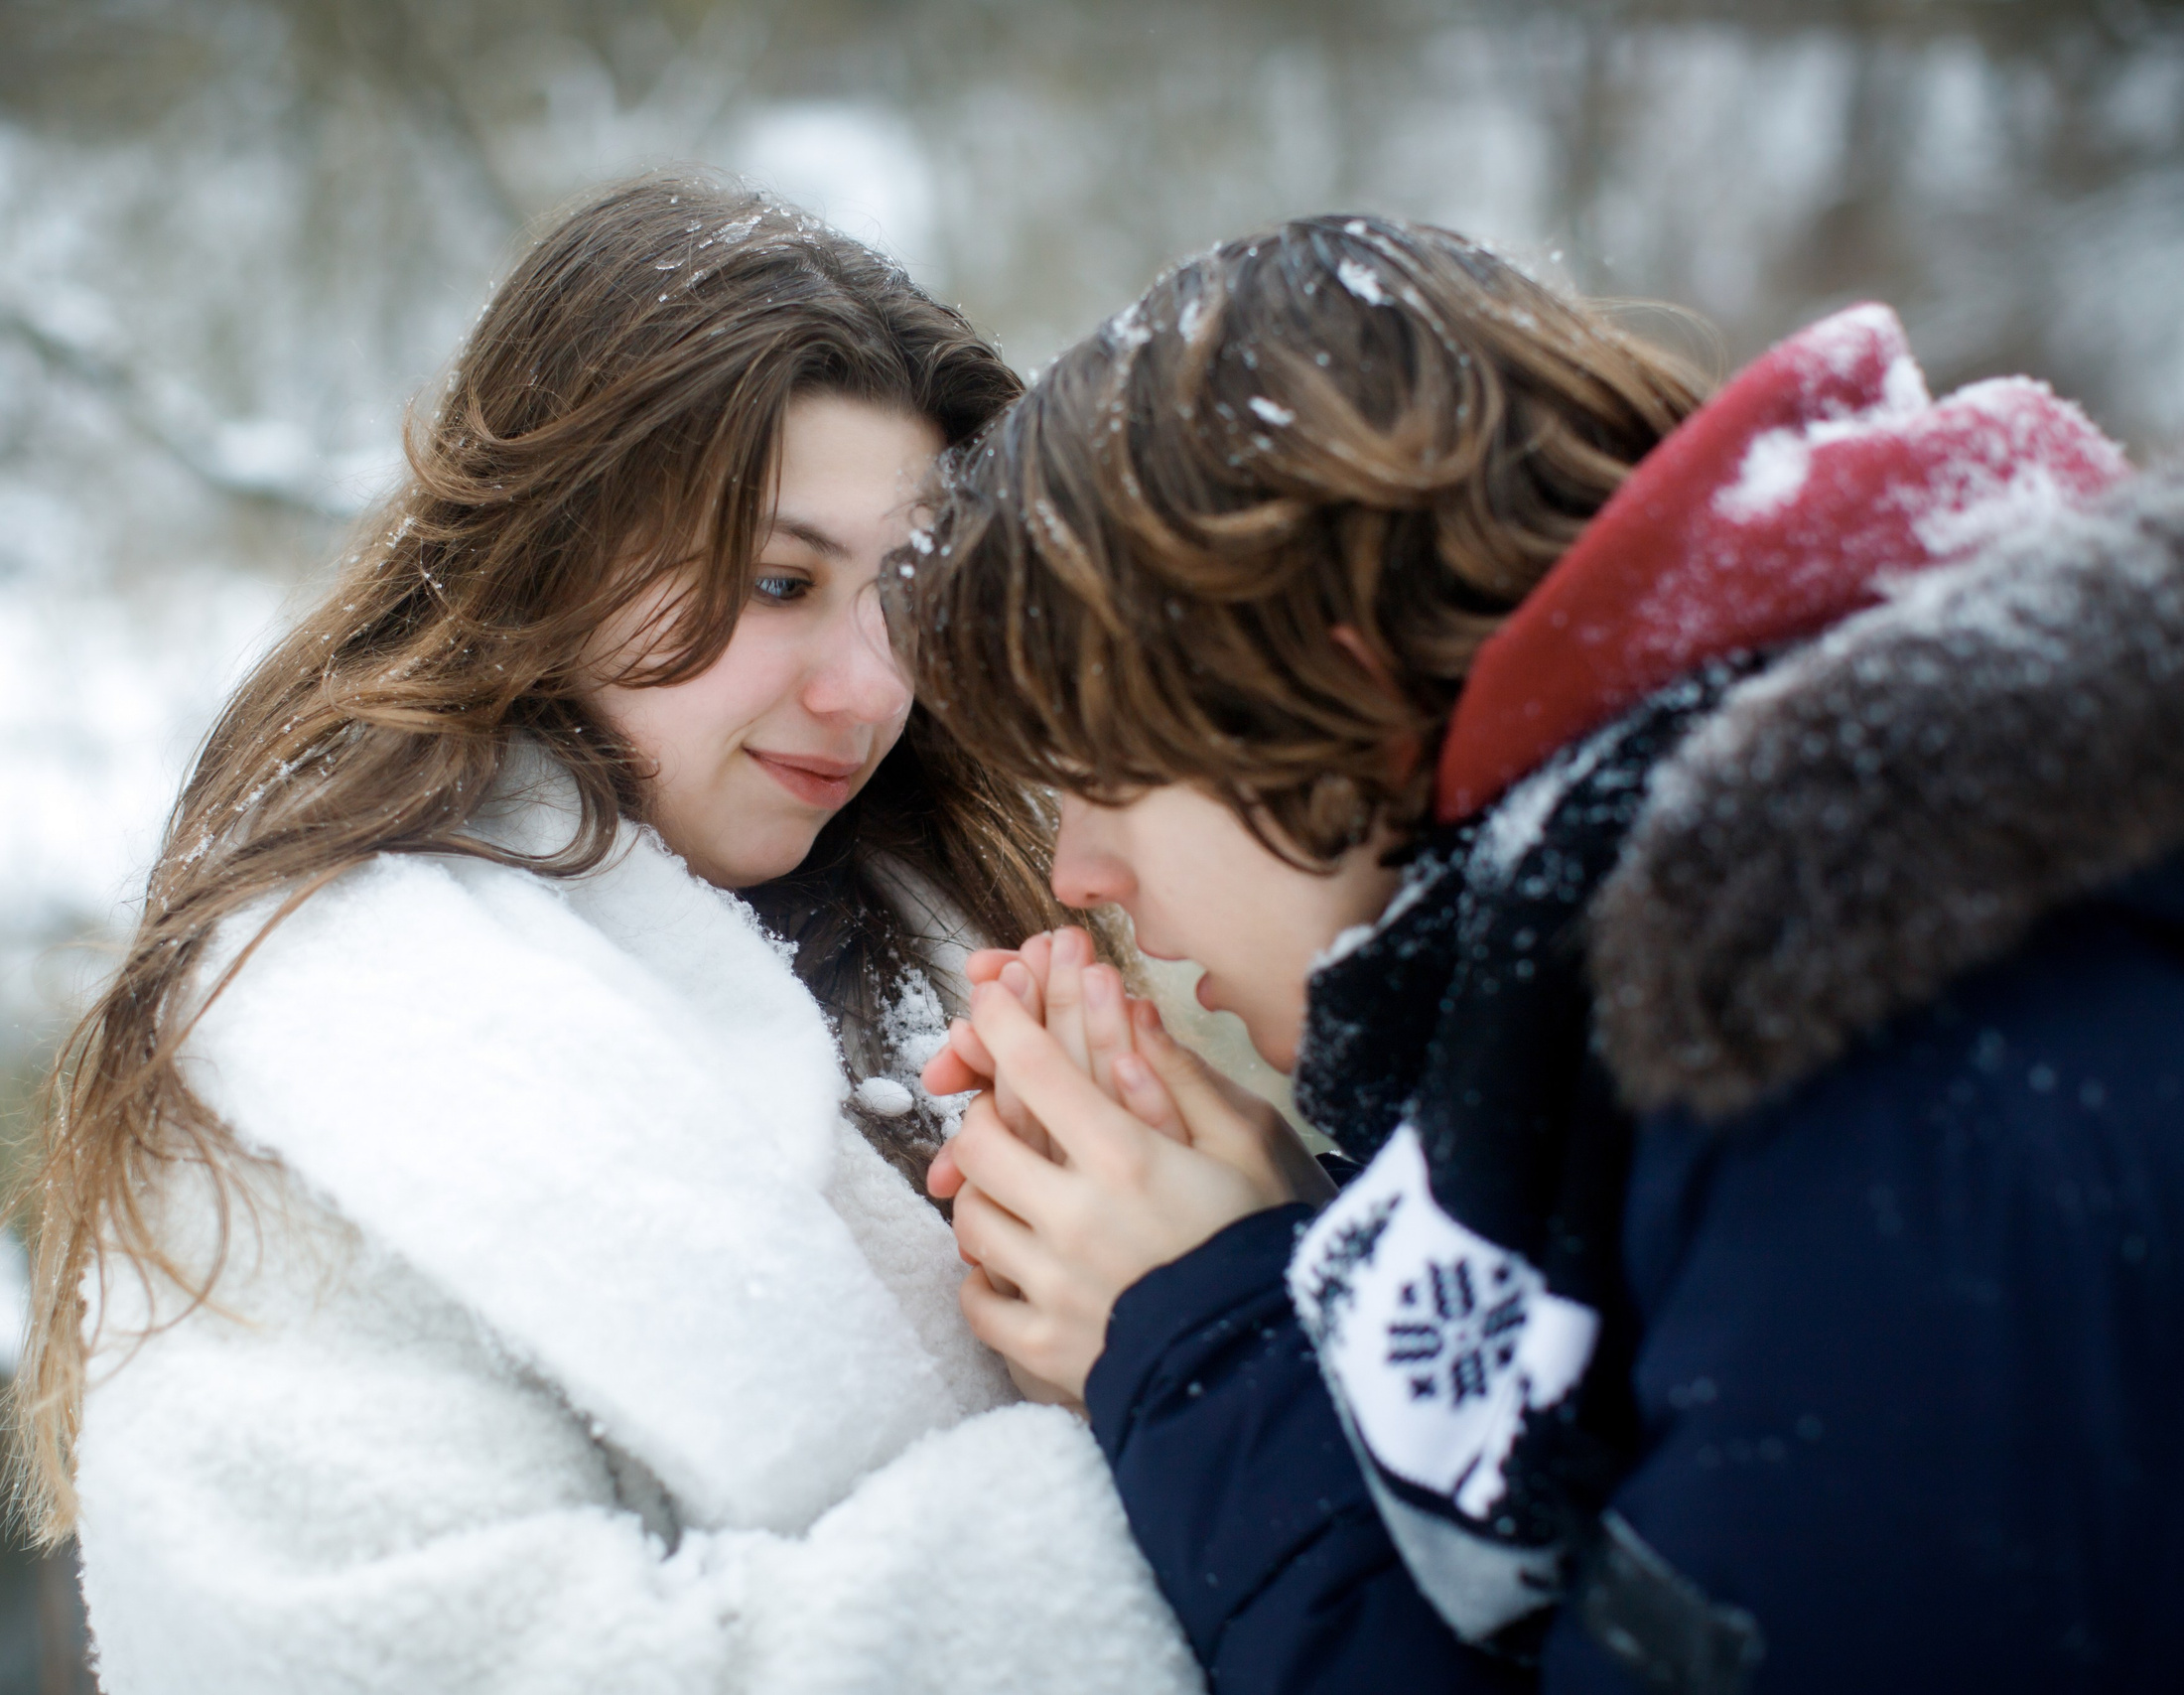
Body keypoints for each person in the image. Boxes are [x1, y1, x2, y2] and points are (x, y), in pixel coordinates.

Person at [896, 212, 2183, 1692]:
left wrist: (1203, 1347)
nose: (1079, 874)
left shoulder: (1890, 1042)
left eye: (1109, 779)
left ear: (1335, 677)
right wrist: (1291, 1256)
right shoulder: (1775, 937)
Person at [0, 177, 1200, 1695]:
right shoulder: (325, 1050)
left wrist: (1182, 1298)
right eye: (780, 581)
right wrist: (1201, 1471)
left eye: (908, 593)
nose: (867, 690)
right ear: (556, 552)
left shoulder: (959, 947)